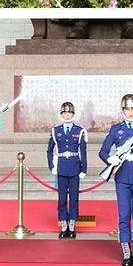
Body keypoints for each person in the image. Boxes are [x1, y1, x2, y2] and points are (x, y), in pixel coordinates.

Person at [100, 93, 133, 266]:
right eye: (127, 109)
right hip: (122, 176)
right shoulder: (116, 129)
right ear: (123, 110)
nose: (130, 112)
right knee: (124, 215)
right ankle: (125, 253)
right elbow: (103, 151)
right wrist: (110, 160)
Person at [47, 101, 88, 239]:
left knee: (74, 198)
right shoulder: (55, 131)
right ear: (61, 114)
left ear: (73, 114)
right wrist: (52, 166)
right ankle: (63, 225)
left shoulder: (79, 130)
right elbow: (50, 150)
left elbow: (82, 151)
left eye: (69, 113)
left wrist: (83, 169)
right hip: (62, 166)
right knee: (62, 198)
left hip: (74, 166)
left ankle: (72, 225)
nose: (67, 115)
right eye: (65, 113)